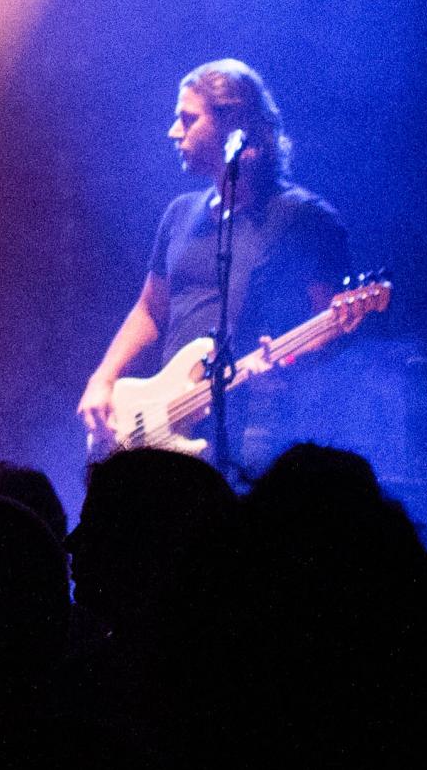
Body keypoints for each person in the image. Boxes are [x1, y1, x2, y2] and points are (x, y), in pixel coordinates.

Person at [75, 59, 352, 472]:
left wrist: (286, 366)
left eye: (187, 120)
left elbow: (333, 324)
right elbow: (151, 310)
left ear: (232, 126)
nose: (174, 132)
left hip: (261, 429)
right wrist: (104, 378)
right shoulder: (181, 213)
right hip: (170, 418)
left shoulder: (303, 218)